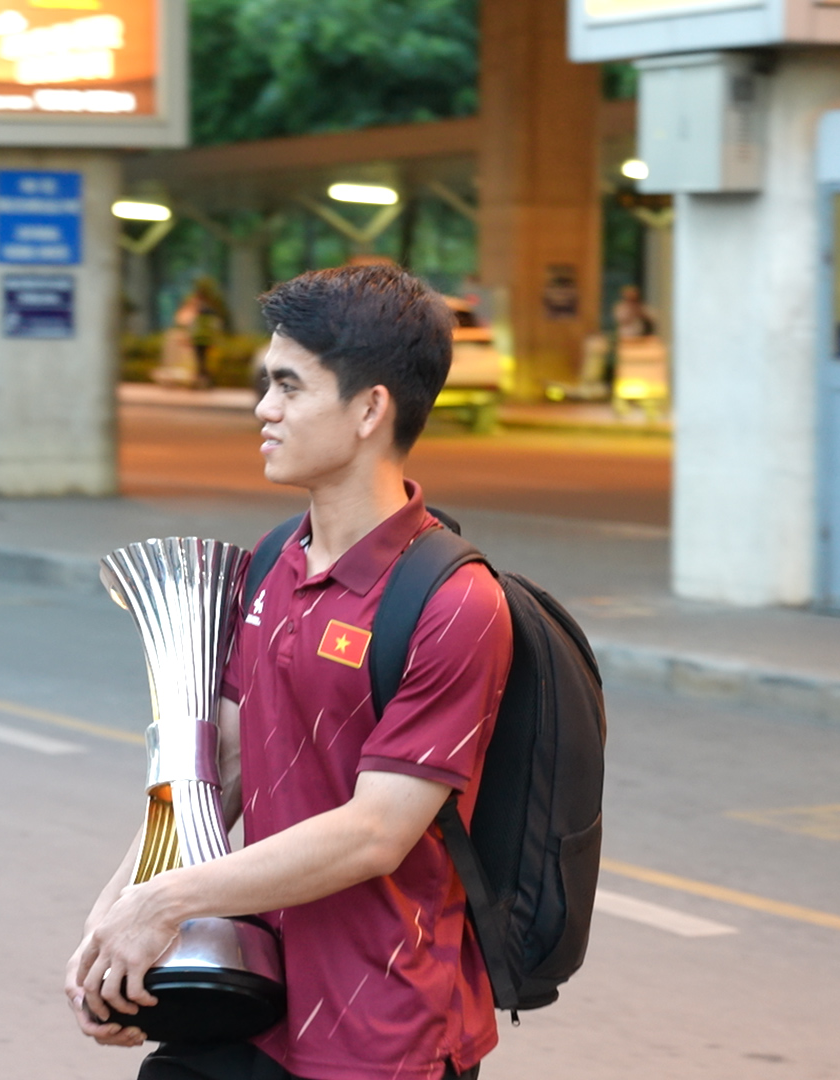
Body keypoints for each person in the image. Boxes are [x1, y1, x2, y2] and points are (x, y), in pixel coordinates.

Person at [66, 264, 512, 1080]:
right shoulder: (274, 561)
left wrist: (166, 902)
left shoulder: (453, 603)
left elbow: (376, 832)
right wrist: (116, 916)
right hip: (249, 990)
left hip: (383, 1028)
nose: (263, 410)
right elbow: (220, 768)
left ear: (370, 408)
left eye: (288, 387)